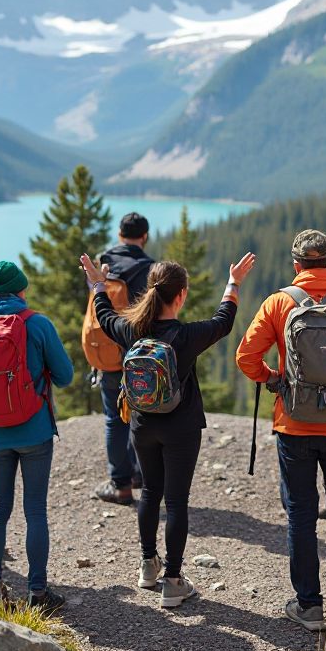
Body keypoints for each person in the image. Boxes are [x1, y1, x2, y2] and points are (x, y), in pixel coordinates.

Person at [79, 249, 255, 608]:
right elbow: (224, 321)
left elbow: (104, 314)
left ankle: (148, 566)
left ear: (149, 291)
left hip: (141, 425)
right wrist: (233, 283)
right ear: (181, 296)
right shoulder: (187, 336)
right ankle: (173, 581)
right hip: (181, 428)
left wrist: (98, 285)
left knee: (150, 494)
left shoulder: (130, 330)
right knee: (176, 501)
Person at [236, 230, 326, 635]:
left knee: (301, 513)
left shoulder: (279, 302)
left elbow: (246, 357)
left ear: (296, 265)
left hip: (294, 424)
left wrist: (274, 381)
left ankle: (309, 607)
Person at [0, 260, 74, 611]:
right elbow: (66, 376)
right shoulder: (37, 324)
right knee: (35, 510)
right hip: (35, 430)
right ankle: (37, 593)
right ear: (20, 290)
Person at [91, 212, 154, 505]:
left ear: (119, 235)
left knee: (114, 420)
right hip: (139, 354)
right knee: (143, 417)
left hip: (106, 351)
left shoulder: (102, 263)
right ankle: (140, 473)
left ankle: (120, 484)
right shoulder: (149, 268)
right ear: (144, 237)